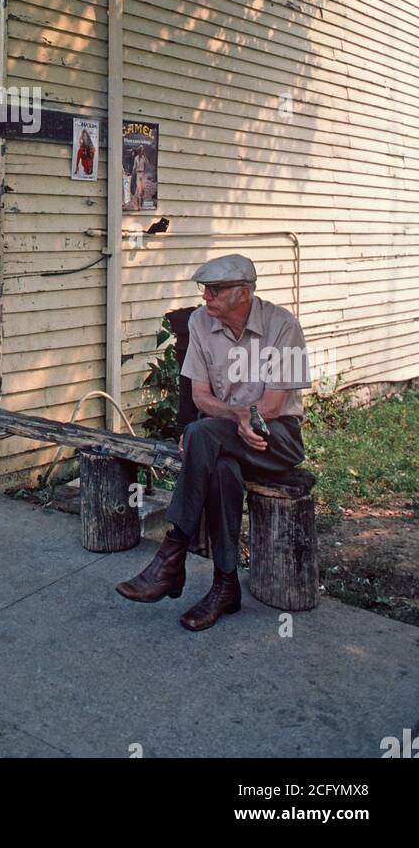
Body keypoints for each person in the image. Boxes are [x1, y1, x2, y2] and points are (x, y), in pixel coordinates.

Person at [116, 254, 312, 630]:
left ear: (244, 292)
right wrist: (235, 415)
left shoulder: (282, 325)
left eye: (216, 290)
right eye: (203, 289)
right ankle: (225, 586)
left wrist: (240, 418)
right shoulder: (200, 323)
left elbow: (270, 407)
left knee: (200, 433)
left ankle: (171, 555)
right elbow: (201, 396)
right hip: (225, 435)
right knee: (221, 468)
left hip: (276, 436)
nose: (205, 296)